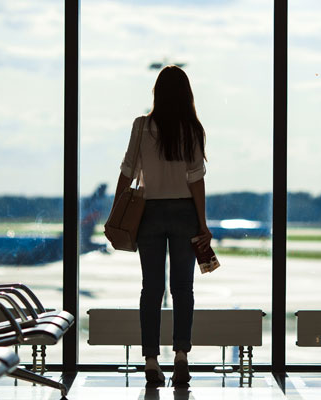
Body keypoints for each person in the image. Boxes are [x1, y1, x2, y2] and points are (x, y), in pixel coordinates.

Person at [115, 65, 212, 386]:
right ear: (187, 95)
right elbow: (196, 181)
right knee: (183, 289)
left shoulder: (142, 126)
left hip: (149, 214)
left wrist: (118, 210)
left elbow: (128, 171)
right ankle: (181, 356)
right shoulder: (192, 130)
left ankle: (151, 361)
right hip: (184, 212)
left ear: (157, 92)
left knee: (151, 289)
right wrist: (202, 222)